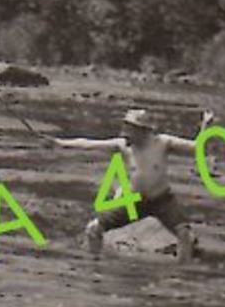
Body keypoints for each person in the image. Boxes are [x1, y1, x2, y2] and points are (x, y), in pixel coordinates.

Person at [53, 106, 215, 263]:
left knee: (184, 234)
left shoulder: (163, 142)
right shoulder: (122, 145)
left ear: (143, 130)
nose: (126, 134)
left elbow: (197, 147)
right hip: (134, 202)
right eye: (126, 129)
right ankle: (96, 263)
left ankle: (182, 272)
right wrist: (60, 143)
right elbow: (88, 143)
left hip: (162, 200)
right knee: (93, 229)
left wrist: (205, 126)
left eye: (130, 130)